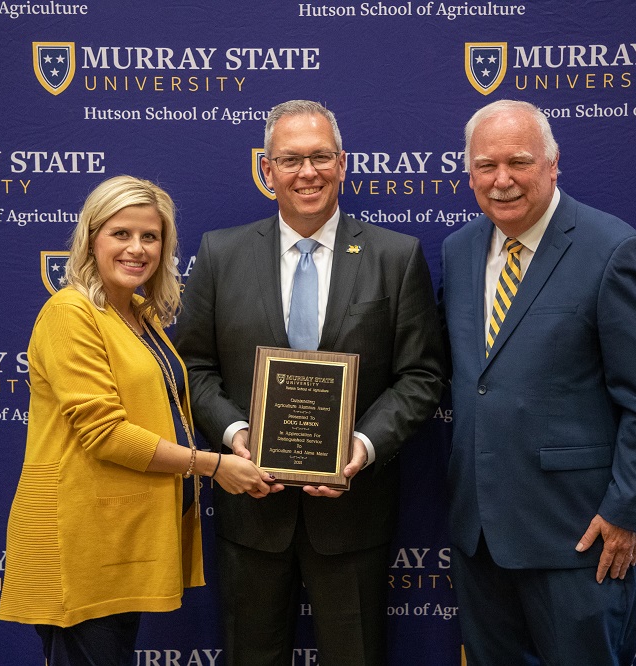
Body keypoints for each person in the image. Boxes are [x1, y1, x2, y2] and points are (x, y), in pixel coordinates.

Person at [176, 100, 444, 666]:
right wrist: (234, 434)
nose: (307, 172)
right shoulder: (220, 255)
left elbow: (421, 374)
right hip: (251, 510)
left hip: (354, 512)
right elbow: (193, 367)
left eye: (321, 157)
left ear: (343, 164)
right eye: (290, 160)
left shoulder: (395, 257)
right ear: (266, 170)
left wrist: (362, 446)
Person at [0, 175, 277, 666]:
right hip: (82, 542)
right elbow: (104, 433)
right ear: (90, 239)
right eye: (121, 233)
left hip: (123, 538)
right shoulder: (70, 312)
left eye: (151, 236)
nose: (137, 248)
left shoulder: (142, 315)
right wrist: (211, 465)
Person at [441, 99, 636, 666]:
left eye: (519, 162)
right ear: (468, 171)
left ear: (552, 164)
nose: (502, 181)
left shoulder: (612, 250)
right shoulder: (459, 250)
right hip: (480, 538)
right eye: (485, 166)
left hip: (581, 538)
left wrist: (626, 513)